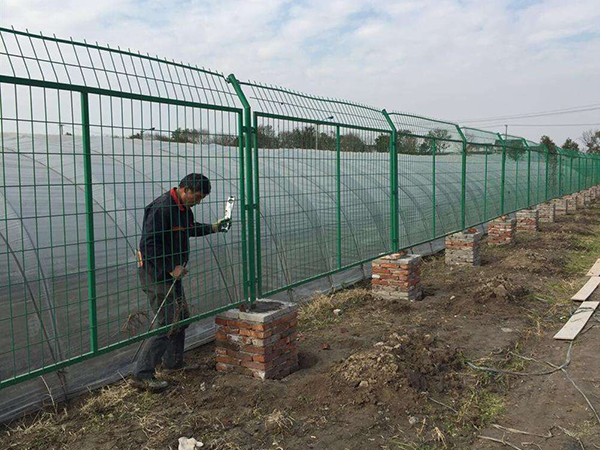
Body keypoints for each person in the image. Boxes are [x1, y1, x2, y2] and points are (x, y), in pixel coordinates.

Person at [133, 173, 230, 391]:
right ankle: (142, 374)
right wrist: (170, 267)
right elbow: (148, 245)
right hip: (156, 274)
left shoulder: (183, 209)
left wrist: (214, 227)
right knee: (168, 322)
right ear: (183, 189)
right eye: (196, 197)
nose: (198, 201)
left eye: (201, 199)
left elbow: (189, 228)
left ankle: (174, 364)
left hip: (170, 275)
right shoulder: (162, 208)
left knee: (181, 317)